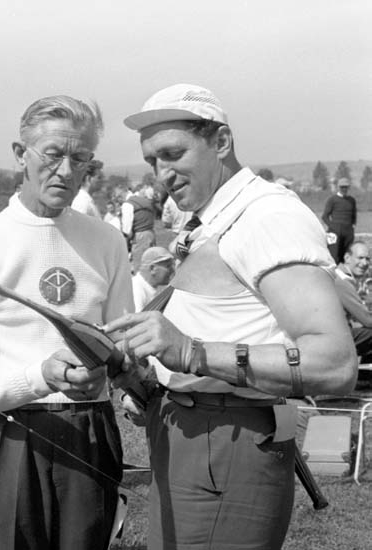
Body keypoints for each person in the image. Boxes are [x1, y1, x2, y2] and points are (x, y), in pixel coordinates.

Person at [103, 83, 357, 550]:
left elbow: (334, 362)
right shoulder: (218, 217)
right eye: (152, 161)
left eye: (173, 154)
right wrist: (149, 378)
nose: (162, 174)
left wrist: (191, 352)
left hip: (226, 442)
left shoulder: (267, 217)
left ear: (221, 141)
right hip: (190, 434)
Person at [0, 95, 133, 550]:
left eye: (81, 158)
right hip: (4, 437)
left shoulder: (108, 241)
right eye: (53, 154)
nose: (66, 171)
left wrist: (115, 372)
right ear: (20, 154)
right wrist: (41, 377)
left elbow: (124, 346)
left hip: (88, 433)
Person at [335, 241, 372, 362]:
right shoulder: (341, 280)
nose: (364, 263)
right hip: (336, 337)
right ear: (347, 258)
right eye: (360, 258)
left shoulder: (337, 275)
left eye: (367, 259)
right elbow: (367, 319)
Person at [121, 180, 157, 271]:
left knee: (140, 267)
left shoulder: (128, 204)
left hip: (139, 237)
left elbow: (127, 230)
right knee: (151, 264)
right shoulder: (145, 201)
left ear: (124, 192)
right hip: (151, 234)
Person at [322, 178, 357, 264]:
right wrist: (333, 227)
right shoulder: (332, 199)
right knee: (334, 255)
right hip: (335, 231)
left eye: (346, 187)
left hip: (348, 231)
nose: (344, 189)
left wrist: (352, 226)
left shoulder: (351, 200)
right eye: (342, 187)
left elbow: (354, 215)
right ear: (338, 187)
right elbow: (325, 216)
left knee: (346, 255)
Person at [132, 246, 174, 312]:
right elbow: (136, 318)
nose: (172, 270)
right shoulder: (136, 290)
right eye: (168, 266)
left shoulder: (151, 287)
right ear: (152, 269)